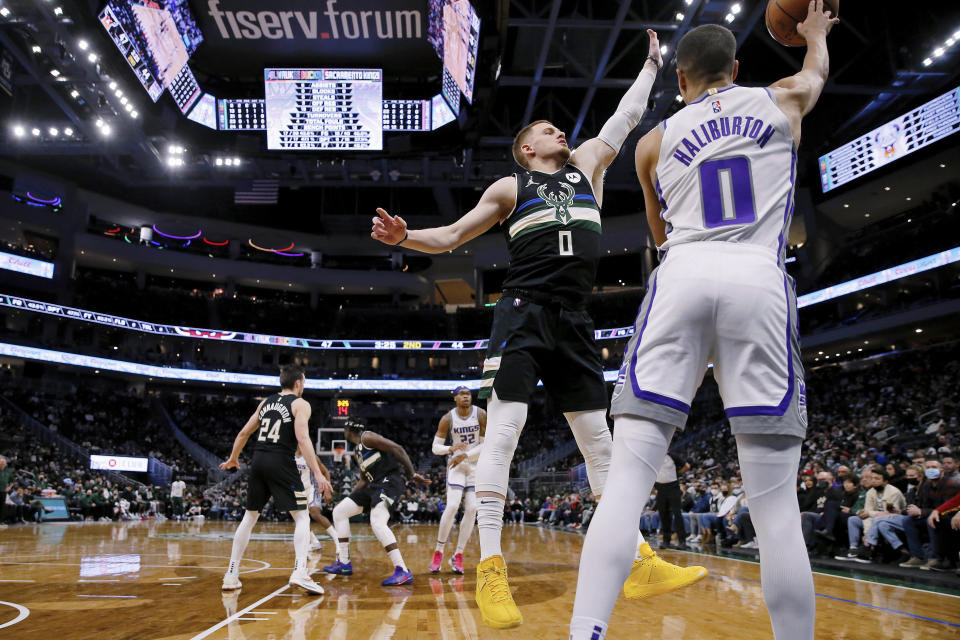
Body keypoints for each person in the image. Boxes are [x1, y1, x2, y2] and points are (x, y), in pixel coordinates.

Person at [372, 28, 701, 630]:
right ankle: (490, 569)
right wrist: (406, 238)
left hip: (575, 318)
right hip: (522, 311)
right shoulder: (509, 186)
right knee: (504, 435)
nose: (558, 131)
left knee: (598, 443)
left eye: (558, 128)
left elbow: (626, 118)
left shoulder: (588, 166)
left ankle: (640, 559)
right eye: (545, 130)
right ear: (525, 150)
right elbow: (451, 237)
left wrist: (652, 66)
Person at [570, 4, 840, 638]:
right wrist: (816, 34)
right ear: (737, 68)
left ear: (681, 82)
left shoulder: (652, 142)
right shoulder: (782, 98)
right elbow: (816, 72)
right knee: (775, 509)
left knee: (627, 484)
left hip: (684, 274)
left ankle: (585, 632)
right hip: (757, 278)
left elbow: (660, 232)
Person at [218, 365, 332, 595]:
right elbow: (302, 438)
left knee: (250, 517)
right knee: (302, 516)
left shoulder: (265, 403)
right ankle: (300, 572)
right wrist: (318, 473)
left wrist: (233, 458)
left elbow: (243, 433)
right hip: (281, 461)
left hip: (258, 460)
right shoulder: (301, 404)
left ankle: (231, 574)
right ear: (298, 383)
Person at [323, 419, 431, 586]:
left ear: (347, 430)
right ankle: (344, 563)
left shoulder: (367, 437)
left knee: (377, 521)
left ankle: (402, 570)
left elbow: (398, 448)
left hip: (389, 481)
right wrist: (348, 497)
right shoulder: (357, 450)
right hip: (373, 485)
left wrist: (412, 474)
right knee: (339, 512)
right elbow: (364, 480)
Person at [429, 386, 486, 575]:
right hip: (456, 465)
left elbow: (487, 444)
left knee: (472, 509)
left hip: (474, 465)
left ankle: (458, 555)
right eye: (462, 395)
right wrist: (451, 449)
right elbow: (435, 448)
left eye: (468, 394)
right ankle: (439, 551)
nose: (466, 397)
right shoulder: (448, 418)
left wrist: (466, 454)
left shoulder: (481, 414)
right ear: (455, 398)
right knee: (452, 506)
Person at [294, 446, 338, 554]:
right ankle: (314, 542)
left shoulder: (311, 456)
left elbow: (325, 472)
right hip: (298, 490)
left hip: (312, 488)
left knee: (315, 513)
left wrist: (327, 490)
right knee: (299, 519)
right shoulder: (290, 456)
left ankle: (337, 540)